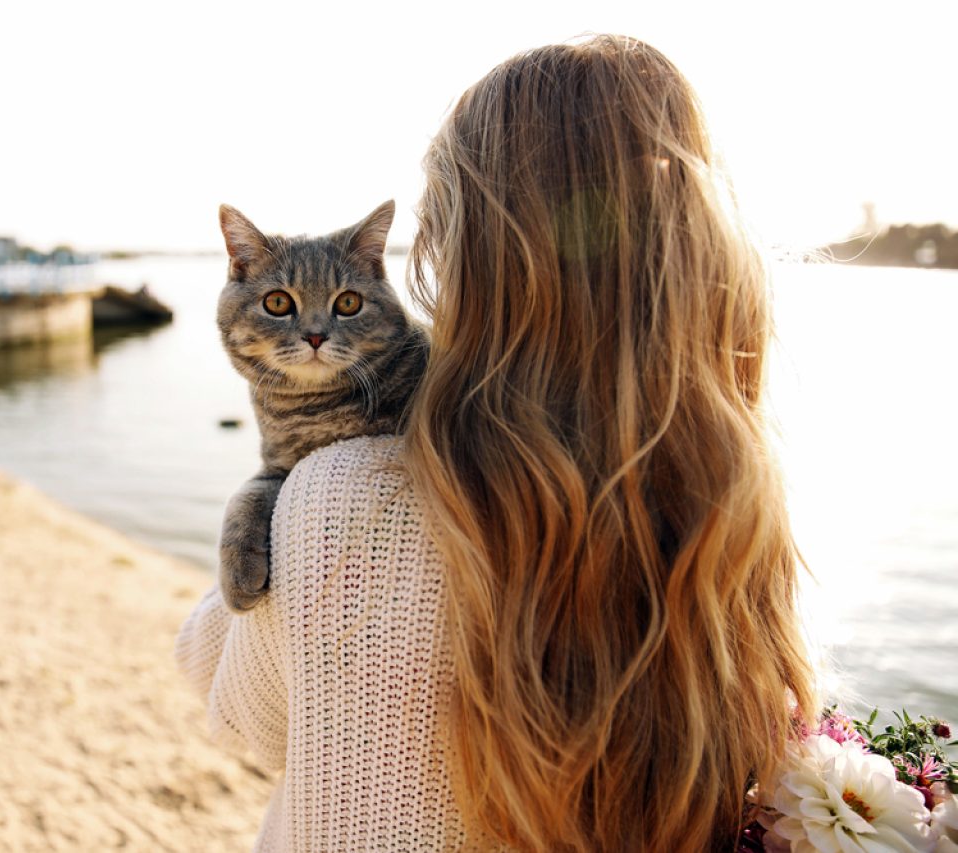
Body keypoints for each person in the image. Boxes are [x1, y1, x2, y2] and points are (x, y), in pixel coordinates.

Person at [177, 35, 816, 852]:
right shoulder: (734, 513)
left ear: (462, 260)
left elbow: (243, 714)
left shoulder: (346, 494)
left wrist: (276, 515)